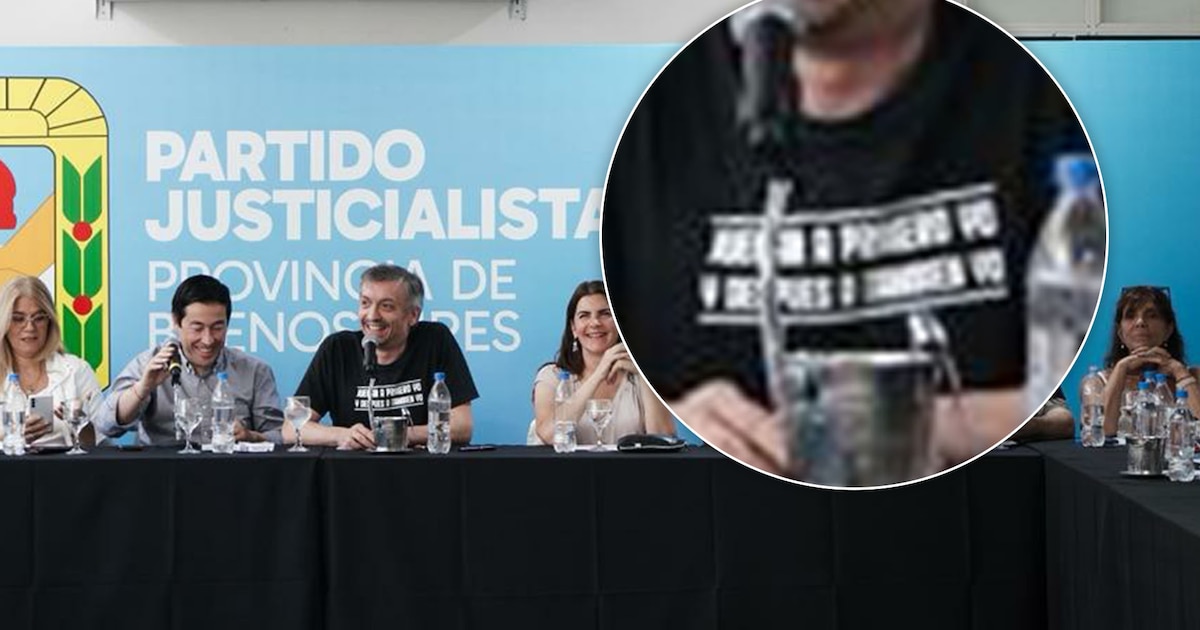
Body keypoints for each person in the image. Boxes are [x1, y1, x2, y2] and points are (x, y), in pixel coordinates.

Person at [601, 0, 1097, 478]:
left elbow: (1058, 398)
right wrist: (689, 419)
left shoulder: (1040, 103)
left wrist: (925, 426)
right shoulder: (651, 124)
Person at [287, 264, 477, 449]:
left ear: (413, 315)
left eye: (386, 306)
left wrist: (396, 434)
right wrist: (341, 435)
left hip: (420, 466)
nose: (372, 315)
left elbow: (462, 426)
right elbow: (290, 429)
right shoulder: (337, 348)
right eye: (365, 303)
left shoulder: (435, 340)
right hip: (352, 467)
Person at [95, 274, 284, 445]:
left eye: (217, 328)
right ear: (176, 322)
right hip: (162, 469)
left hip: (232, 468)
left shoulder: (255, 371)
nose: (208, 340)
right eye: (197, 328)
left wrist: (252, 436)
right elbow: (105, 425)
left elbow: (281, 436)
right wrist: (143, 388)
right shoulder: (149, 363)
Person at [530, 280, 674, 446]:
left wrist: (645, 376)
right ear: (573, 328)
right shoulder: (552, 377)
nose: (595, 323)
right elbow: (550, 435)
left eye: (605, 314)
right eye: (584, 316)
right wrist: (599, 374)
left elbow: (664, 439)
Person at [0, 276, 102, 448]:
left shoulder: (77, 370)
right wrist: (11, 435)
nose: (30, 327)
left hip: (65, 464)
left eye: (39, 318)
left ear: (50, 321)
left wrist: (79, 423)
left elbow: (101, 445)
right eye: (18, 318)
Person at [1099, 286, 1200, 436]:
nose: (1140, 322)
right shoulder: (1096, 383)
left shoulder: (1195, 376)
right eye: (1130, 316)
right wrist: (1121, 369)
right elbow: (1102, 433)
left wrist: (1179, 371)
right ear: (1120, 334)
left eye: (1152, 316)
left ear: (1168, 330)